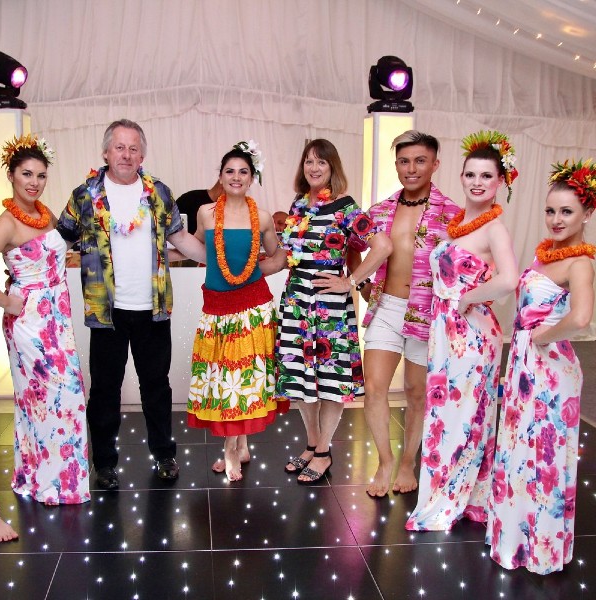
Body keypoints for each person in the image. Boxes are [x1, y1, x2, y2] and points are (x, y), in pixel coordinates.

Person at [57, 119, 206, 490]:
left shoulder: (158, 193)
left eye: (133, 148)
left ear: (143, 154)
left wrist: (222, 264)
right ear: (106, 152)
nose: (126, 155)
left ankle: (164, 454)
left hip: (153, 308)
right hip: (106, 311)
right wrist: (26, 268)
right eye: (119, 147)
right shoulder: (85, 195)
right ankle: (104, 463)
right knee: (105, 389)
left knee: (156, 386)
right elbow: (59, 241)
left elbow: (182, 239)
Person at [486, 159, 596, 574]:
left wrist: (542, 338)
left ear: (588, 214)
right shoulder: (547, 253)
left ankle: (540, 549)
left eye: (566, 211)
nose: (556, 219)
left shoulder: (579, 262)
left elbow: (582, 317)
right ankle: (513, 539)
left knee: (542, 456)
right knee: (517, 450)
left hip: (551, 372)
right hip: (525, 366)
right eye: (550, 210)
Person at [406, 130, 519, 531]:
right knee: (449, 413)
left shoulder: (494, 229)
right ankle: (459, 490)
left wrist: (469, 298)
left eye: (486, 176)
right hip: (446, 330)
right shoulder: (459, 223)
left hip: (471, 334)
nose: (477, 182)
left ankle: (454, 494)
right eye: (471, 174)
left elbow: (509, 280)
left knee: (463, 414)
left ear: (500, 182)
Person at [270, 138, 392, 484]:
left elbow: (382, 245)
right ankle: (311, 444)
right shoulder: (297, 205)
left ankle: (324, 452)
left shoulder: (345, 207)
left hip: (329, 307)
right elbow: (284, 257)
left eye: (321, 162)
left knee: (330, 381)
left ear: (332, 167)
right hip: (295, 302)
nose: (314, 167)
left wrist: (350, 281)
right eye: (308, 161)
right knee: (300, 380)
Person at [348, 130, 459, 497]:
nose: (411, 169)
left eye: (419, 161)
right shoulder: (378, 211)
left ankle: (408, 461)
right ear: (396, 164)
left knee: (415, 392)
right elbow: (349, 244)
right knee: (374, 387)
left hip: (427, 314)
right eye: (404, 161)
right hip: (387, 306)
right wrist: (361, 284)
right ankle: (383, 460)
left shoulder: (454, 217)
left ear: (435, 164)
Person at [0, 135, 90, 505]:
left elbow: (55, 257)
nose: (34, 182)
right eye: (27, 174)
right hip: (29, 323)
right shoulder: (5, 224)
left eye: (41, 175)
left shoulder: (45, 213)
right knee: (46, 399)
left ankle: (53, 477)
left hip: (58, 318)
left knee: (69, 396)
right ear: (12, 176)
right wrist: (6, 300)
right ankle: (51, 484)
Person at [186, 141, 284, 481]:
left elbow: (279, 256)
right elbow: (200, 247)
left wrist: (255, 274)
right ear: (221, 176)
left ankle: (231, 451)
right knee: (226, 378)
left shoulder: (265, 217)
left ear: (252, 176)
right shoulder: (205, 212)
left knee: (240, 380)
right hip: (216, 307)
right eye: (230, 171)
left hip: (252, 308)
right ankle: (240, 446)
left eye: (243, 171)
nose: (236, 177)